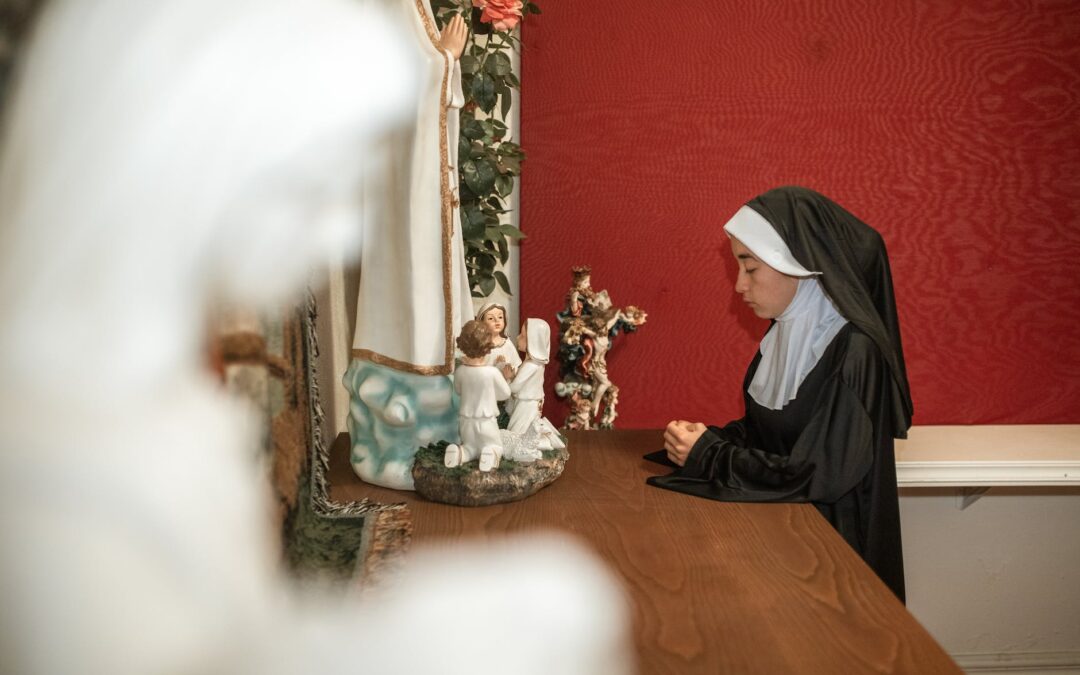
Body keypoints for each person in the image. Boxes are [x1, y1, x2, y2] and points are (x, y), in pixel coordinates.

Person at [648, 186, 913, 601]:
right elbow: (770, 433)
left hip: (834, 561)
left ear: (798, 266)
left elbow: (817, 473)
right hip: (782, 539)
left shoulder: (854, 351)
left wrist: (710, 455)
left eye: (749, 268)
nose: (739, 286)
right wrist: (703, 440)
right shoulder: (786, 334)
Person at [446, 319, 511, 472]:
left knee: (470, 447)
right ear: (488, 346)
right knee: (494, 445)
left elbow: (458, 390)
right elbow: (505, 394)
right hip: (486, 420)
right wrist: (506, 377)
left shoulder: (461, 371)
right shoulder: (492, 372)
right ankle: (490, 453)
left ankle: (460, 454)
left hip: (466, 421)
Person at [477, 302, 522, 379]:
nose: (497, 321)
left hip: (504, 385)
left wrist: (509, 372)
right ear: (482, 323)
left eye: (500, 317)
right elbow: (476, 369)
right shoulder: (481, 345)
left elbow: (516, 366)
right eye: (491, 318)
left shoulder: (507, 343)